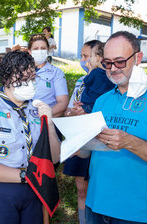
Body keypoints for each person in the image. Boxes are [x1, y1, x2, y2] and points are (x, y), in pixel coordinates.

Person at [81, 31, 147, 224]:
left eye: (119, 61)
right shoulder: (102, 100)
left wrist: (128, 141)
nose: (113, 68)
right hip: (95, 205)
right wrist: (77, 135)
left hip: (133, 213)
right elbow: (86, 153)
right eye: (107, 63)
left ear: (138, 58)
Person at [0, 50, 60, 224]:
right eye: (22, 79)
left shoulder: (36, 109)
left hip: (33, 192)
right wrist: (25, 176)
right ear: (7, 78)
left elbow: (53, 158)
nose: (29, 83)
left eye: (32, 78)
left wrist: (50, 125)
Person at [63, 40, 115, 224]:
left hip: (100, 142)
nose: (82, 60)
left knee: (99, 188)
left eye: (86, 56)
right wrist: (74, 112)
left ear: (100, 57)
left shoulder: (112, 80)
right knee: (81, 189)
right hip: (79, 136)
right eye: (81, 56)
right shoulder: (80, 81)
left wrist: (87, 112)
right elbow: (69, 110)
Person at [28, 34, 69, 118]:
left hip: (46, 120)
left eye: (43, 48)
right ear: (29, 51)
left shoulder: (56, 73)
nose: (39, 51)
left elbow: (62, 103)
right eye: (36, 48)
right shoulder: (22, 71)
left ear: (48, 50)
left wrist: (43, 115)